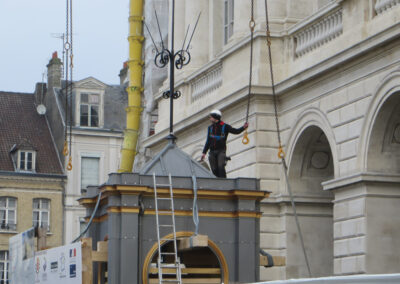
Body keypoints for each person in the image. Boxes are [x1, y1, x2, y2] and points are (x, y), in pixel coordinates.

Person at [201, 109, 248, 178]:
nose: (210, 118)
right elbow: (208, 141)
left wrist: (243, 128)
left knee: (220, 167)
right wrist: (204, 152)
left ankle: (224, 182)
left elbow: (235, 131)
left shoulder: (225, 126)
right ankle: (217, 182)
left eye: (211, 117)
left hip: (221, 151)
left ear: (215, 117)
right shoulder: (210, 128)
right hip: (212, 152)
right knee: (214, 169)